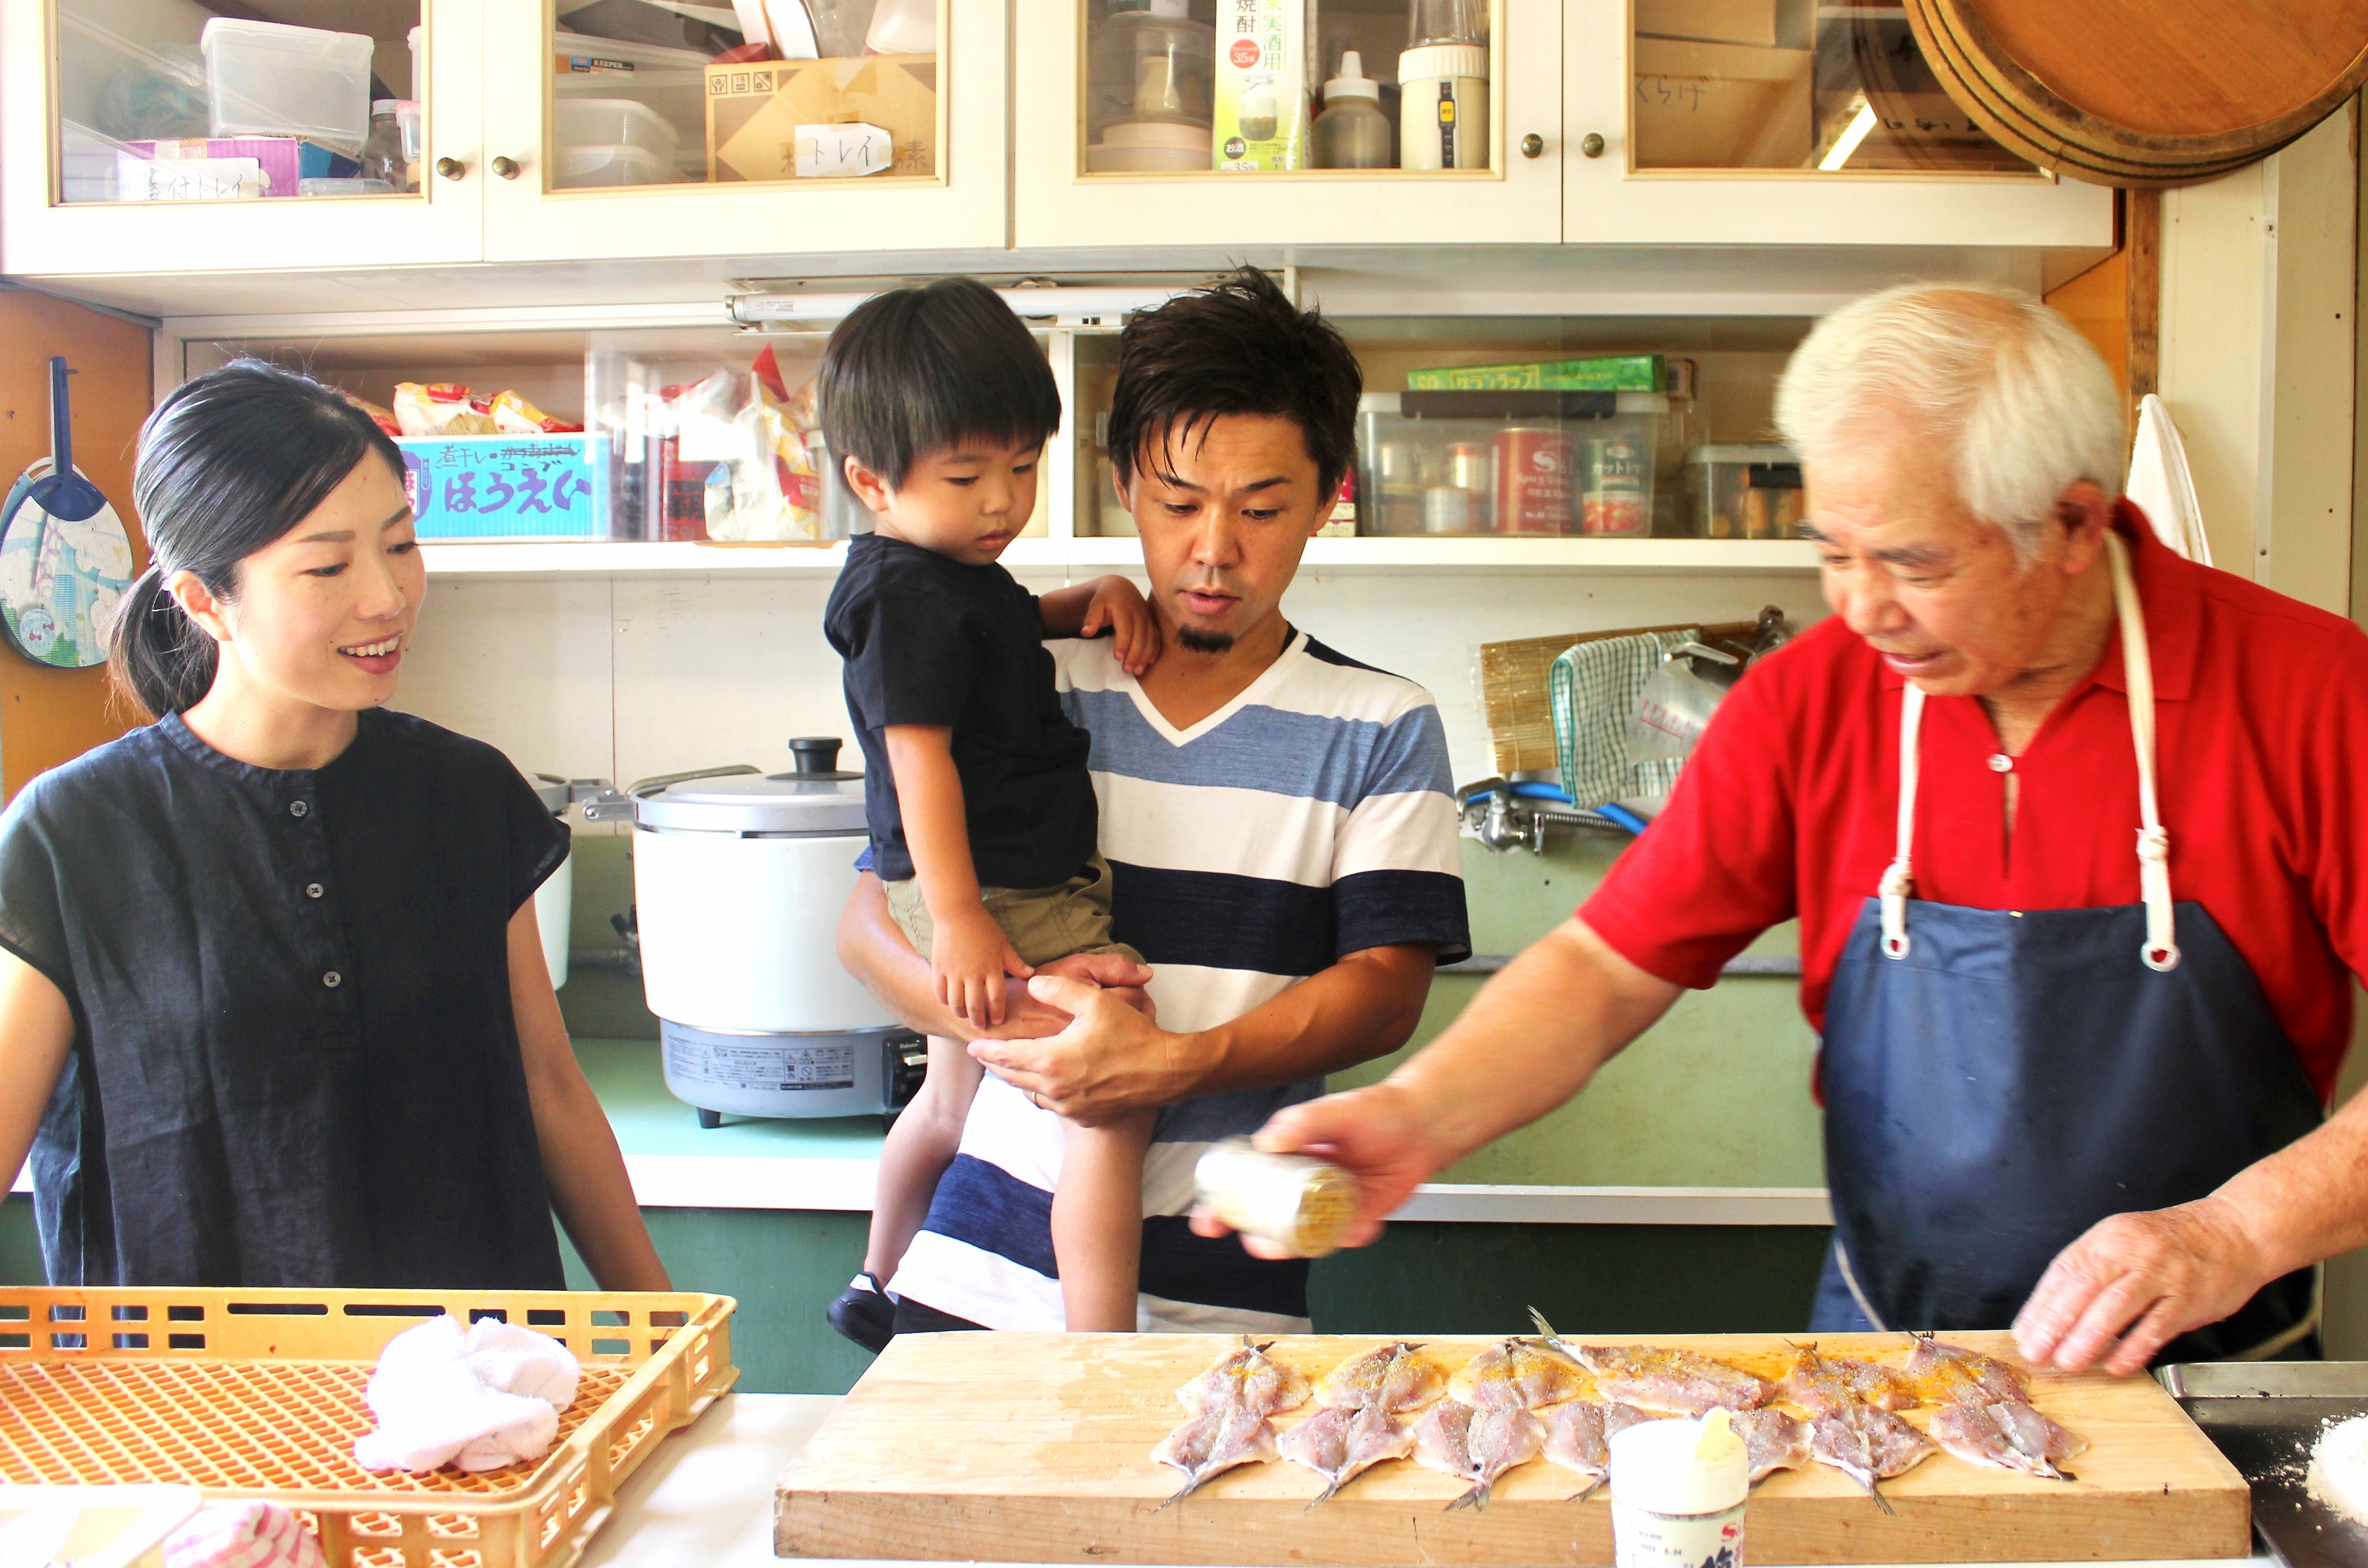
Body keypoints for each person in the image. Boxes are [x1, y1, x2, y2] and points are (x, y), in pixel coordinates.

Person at [1242, 282, 2368, 1373]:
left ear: (2074, 523)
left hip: (2218, 1384)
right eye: (1832, 552)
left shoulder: (2306, 692)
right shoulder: (1811, 701)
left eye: (1914, 562)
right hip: (1890, 1364)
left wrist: (2234, 1229)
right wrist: (1415, 1113)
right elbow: (1600, 968)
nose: (1861, 607)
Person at [834, 265, 1471, 1336]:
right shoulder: (1033, 676)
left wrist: (1161, 1066)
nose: (1212, 549)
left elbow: (1384, 994)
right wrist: (1044, 1030)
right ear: (1124, 481)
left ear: (1328, 497)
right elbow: (865, 924)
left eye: (1262, 508)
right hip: (965, 1285)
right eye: (1178, 503)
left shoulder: (1382, 725)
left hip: (1220, 1297)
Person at [0, 359, 668, 1291]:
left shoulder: (463, 794)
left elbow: (549, 1089)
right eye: (327, 565)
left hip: (470, 1394)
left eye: (400, 544)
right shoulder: (74, 833)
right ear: (203, 600)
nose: (387, 598)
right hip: (189, 1408)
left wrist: (667, 1329)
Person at [815, 278, 1163, 1340]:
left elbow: (1000, 633)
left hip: (993, 880)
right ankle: (1101, 1351)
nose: (1003, 503)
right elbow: (917, 762)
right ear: (870, 482)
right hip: (997, 886)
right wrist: (964, 919)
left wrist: (1077, 603)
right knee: (1113, 1089)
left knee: (952, 1099)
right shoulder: (904, 596)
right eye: (967, 476)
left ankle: (878, 1281)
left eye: (1022, 467)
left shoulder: (947, 571)